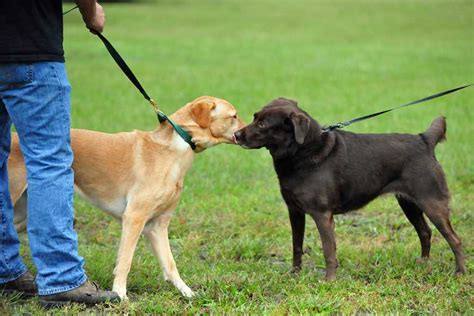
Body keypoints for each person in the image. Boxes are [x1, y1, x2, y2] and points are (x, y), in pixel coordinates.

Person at [0, 0, 120, 307]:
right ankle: (62, 279)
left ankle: (5, 269)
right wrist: (90, 10)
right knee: (49, 162)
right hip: (31, 49)